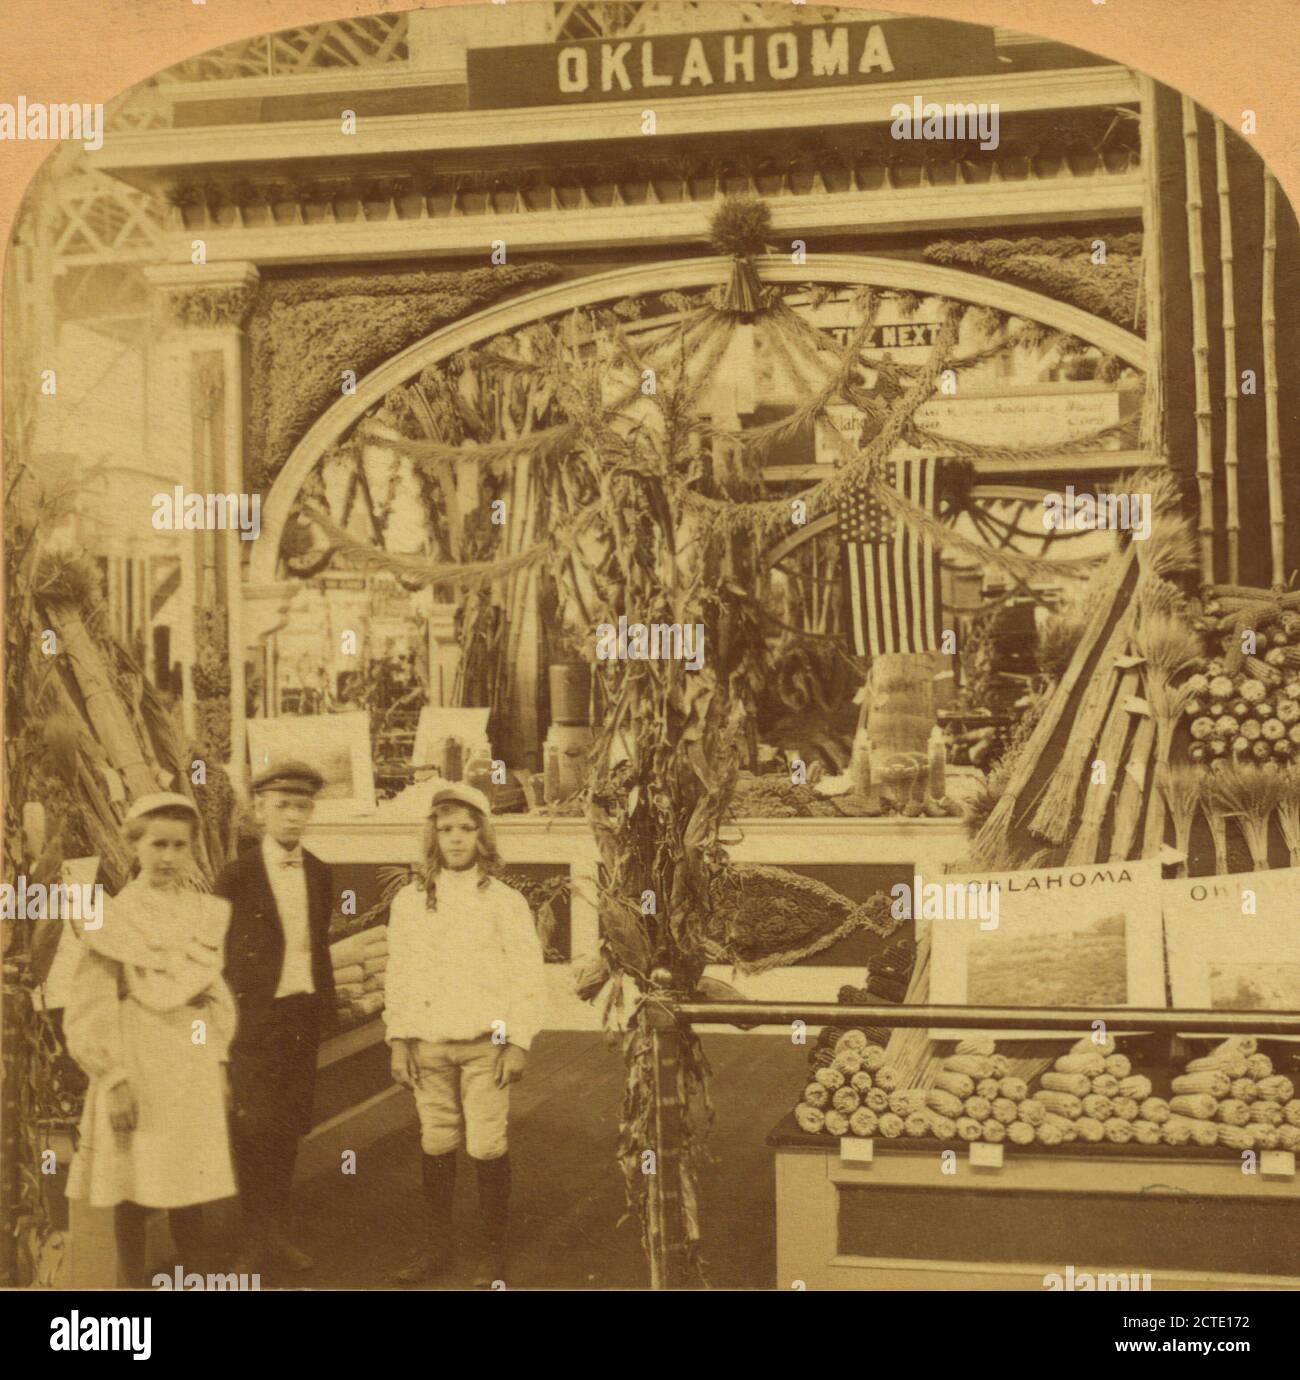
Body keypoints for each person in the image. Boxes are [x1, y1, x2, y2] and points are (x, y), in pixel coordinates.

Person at [64, 793, 236, 1287]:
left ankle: (190, 1281)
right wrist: (113, 1078)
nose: (167, 857)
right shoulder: (113, 919)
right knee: (133, 1188)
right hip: (135, 1058)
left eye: (178, 846)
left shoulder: (204, 913)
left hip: (190, 1060)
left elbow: (211, 1000)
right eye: (157, 844)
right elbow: (91, 1006)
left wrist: (216, 1062)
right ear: (134, 846)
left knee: (190, 1183)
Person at [384, 783, 547, 1287]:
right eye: (446, 828)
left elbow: (526, 975)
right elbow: (401, 972)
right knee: (436, 1139)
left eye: (466, 828)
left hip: (485, 1044)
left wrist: (517, 1039)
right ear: (432, 834)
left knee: (486, 1143)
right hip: (429, 1042)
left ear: (482, 835)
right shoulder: (411, 902)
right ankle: (437, 1244)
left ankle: (491, 1250)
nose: (456, 839)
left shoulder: (504, 901)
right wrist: (399, 1038)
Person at [217, 760, 335, 1274]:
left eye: (302, 806)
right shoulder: (236, 875)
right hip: (251, 1023)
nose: (292, 816)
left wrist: (323, 1009)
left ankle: (276, 1233)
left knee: (288, 1126)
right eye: (281, 805)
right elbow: (217, 953)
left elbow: (317, 946)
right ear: (260, 809)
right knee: (253, 1127)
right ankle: (253, 1238)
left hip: (300, 1018)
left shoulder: (320, 872)